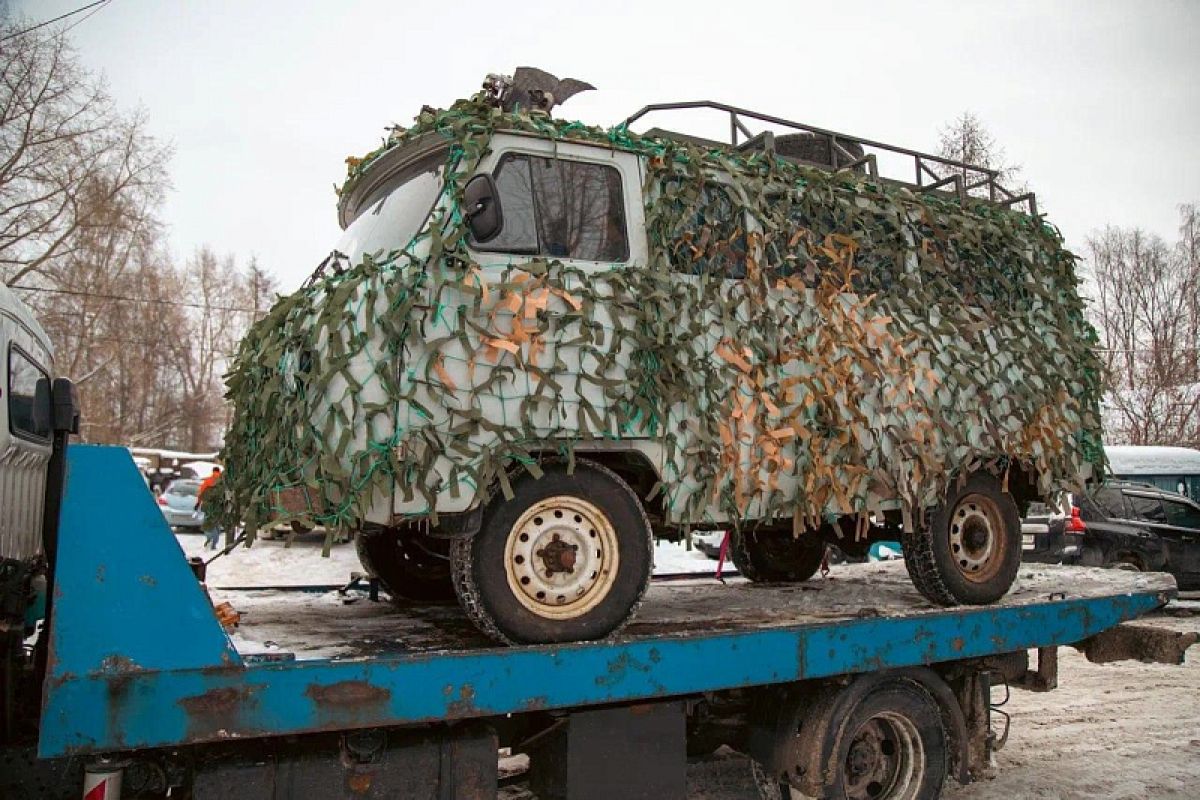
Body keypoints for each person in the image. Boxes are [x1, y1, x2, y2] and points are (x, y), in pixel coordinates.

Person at [197, 467, 223, 550]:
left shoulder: (208, 481)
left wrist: (198, 503)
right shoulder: (222, 481)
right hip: (218, 507)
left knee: (208, 523)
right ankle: (214, 543)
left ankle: (209, 539)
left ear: (213, 471)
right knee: (216, 525)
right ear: (219, 472)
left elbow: (201, 492)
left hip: (207, 506)